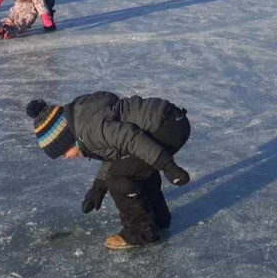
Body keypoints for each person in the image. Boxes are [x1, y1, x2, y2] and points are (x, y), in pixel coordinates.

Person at [24, 93, 192, 249]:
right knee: (134, 168)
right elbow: (115, 153)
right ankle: (159, 219)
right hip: (169, 121)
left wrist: (168, 166)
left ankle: (140, 233)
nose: (66, 157)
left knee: (118, 179)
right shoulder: (82, 123)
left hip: (166, 128)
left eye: (62, 152)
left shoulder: (90, 130)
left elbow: (132, 139)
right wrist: (98, 188)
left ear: (66, 139)